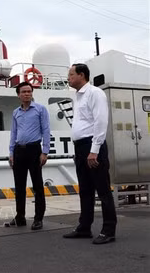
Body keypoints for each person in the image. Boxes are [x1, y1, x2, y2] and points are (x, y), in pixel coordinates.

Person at [63, 63, 117, 244]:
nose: (68, 77)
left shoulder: (95, 93)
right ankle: (84, 228)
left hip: (93, 147)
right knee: (85, 190)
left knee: (103, 190)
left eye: (71, 74)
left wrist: (93, 151)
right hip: (80, 147)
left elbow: (101, 122)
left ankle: (108, 230)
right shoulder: (77, 97)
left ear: (82, 75)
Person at [6, 81, 50, 230]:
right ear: (18, 95)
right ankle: (20, 217)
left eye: (29, 91)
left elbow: (46, 130)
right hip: (19, 151)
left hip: (34, 150)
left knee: (37, 185)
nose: (27, 94)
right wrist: (11, 152)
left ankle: (38, 218)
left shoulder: (40, 109)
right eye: (24, 92)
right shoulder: (16, 112)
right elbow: (14, 133)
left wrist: (45, 151)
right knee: (19, 186)